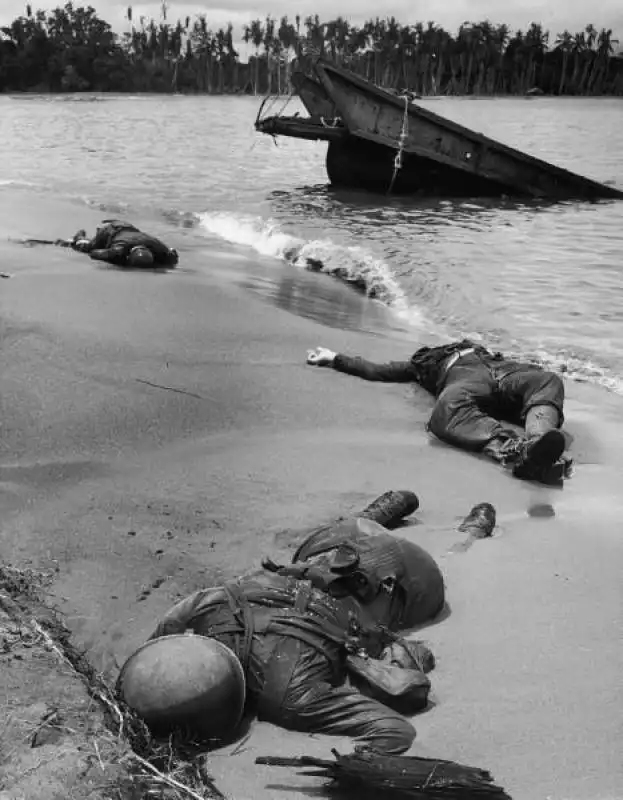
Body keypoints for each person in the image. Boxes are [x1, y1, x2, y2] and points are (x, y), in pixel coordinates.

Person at [119, 491, 468, 755]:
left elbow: (396, 731)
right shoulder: (211, 604)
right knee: (337, 546)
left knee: (455, 550)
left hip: (413, 580)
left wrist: (353, 770)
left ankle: (472, 529)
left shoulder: (290, 695)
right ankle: (393, 515)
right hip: (328, 547)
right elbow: (162, 639)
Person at [306, 339, 572, 485]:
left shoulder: (483, 350)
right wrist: (335, 358)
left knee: (548, 380)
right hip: (464, 381)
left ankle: (540, 440)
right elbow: (377, 370)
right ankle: (516, 453)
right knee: (446, 407)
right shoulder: (419, 366)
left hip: (505, 372)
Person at [57, 219, 179, 268]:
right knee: (88, 247)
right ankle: (79, 237)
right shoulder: (119, 249)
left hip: (127, 227)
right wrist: (113, 257)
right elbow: (94, 253)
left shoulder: (157, 246)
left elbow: (172, 254)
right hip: (110, 231)